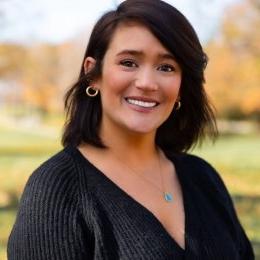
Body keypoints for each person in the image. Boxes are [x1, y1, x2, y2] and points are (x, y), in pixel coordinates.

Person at [8, 0, 254, 259]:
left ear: (182, 85)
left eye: (166, 67)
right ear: (93, 73)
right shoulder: (56, 190)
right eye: (128, 62)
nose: (147, 83)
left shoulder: (203, 178)